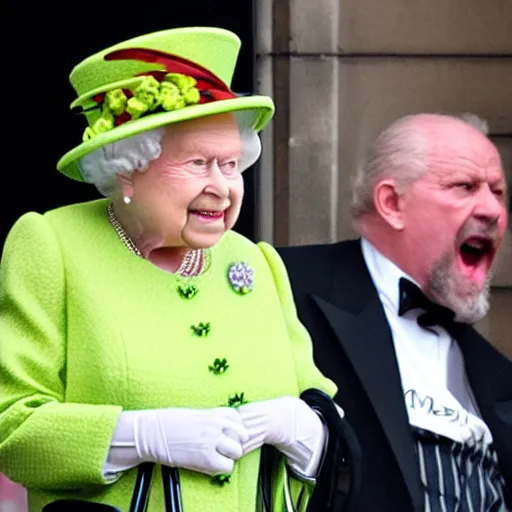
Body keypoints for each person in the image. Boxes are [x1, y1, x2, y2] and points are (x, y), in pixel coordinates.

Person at [0, 26, 337, 512]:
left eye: (232, 165)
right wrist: (139, 436)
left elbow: (328, 424)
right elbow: (12, 429)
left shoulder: (257, 263)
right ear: (126, 168)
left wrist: (304, 430)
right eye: (199, 163)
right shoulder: (54, 246)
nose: (223, 188)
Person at [278, 113, 512, 511]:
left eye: (498, 192)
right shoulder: (286, 288)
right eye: (465, 187)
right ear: (392, 203)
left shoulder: (497, 374)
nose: (492, 210)